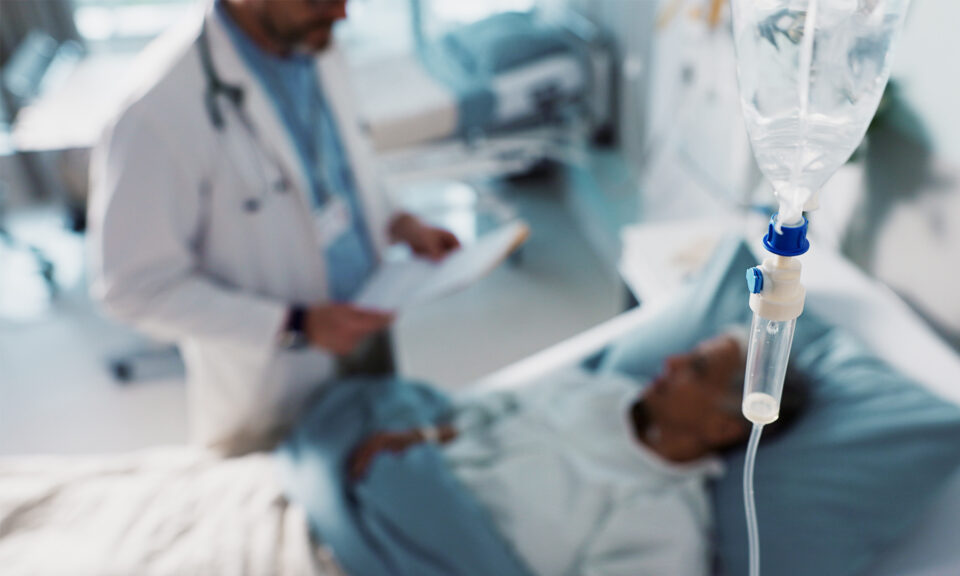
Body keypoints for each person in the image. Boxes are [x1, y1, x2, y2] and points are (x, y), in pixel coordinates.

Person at [88, 0, 459, 456]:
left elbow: (341, 166)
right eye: (319, 0)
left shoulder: (315, 42)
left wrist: (399, 221)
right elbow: (134, 288)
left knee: (382, 473)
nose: (342, 15)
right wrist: (295, 325)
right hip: (273, 382)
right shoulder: (155, 110)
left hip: (365, 333)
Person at [287, 330, 807, 576]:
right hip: (392, 481)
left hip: (438, 554)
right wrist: (417, 437)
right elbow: (479, 412)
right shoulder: (597, 389)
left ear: (722, 425)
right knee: (356, 411)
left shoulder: (663, 520)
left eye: (694, 368)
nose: (669, 361)